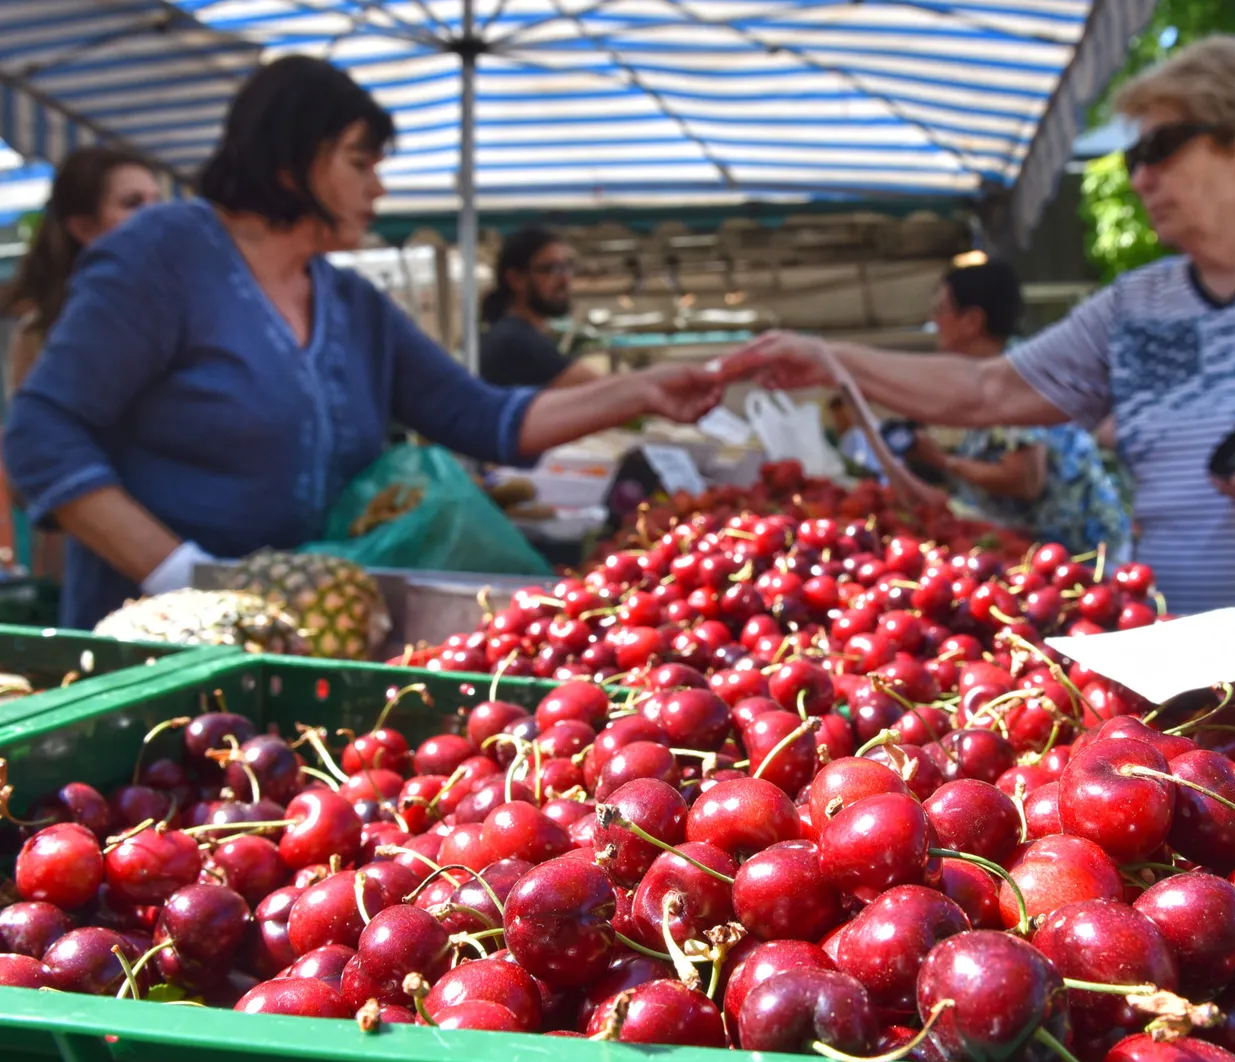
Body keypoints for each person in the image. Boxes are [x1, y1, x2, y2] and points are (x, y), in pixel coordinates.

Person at [716, 36, 1235, 614]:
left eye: (1162, 148)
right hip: (1179, 672)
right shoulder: (1136, 300)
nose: (1139, 178)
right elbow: (988, 389)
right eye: (1130, 159)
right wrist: (832, 361)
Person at [1, 56, 721, 631]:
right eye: (360, 162)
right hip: (150, 637)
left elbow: (486, 417)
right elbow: (40, 433)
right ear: (290, 161)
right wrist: (184, 575)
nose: (379, 187)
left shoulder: (351, 305)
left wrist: (641, 389)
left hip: (298, 631)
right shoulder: (160, 259)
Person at [2, 148, 162, 578]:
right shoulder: (43, 334)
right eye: (132, 204)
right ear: (83, 227)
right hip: (95, 556)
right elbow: (29, 463)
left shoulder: (181, 314)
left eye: (155, 201)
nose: (153, 217)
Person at [908, 261, 1134, 561]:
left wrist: (942, 461)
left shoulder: (1013, 377)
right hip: (1057, 555)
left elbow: (1025, 479)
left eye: (941, 310)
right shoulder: (999, 371)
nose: (934, 320)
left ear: (972, 321)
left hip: (1081, 556)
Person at [478, 225, 598, 389]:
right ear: (515, 279)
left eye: (567, 267)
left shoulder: (512, 333)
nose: (565, 281)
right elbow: (603, 391)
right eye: (551, 269)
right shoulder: (515, 340)